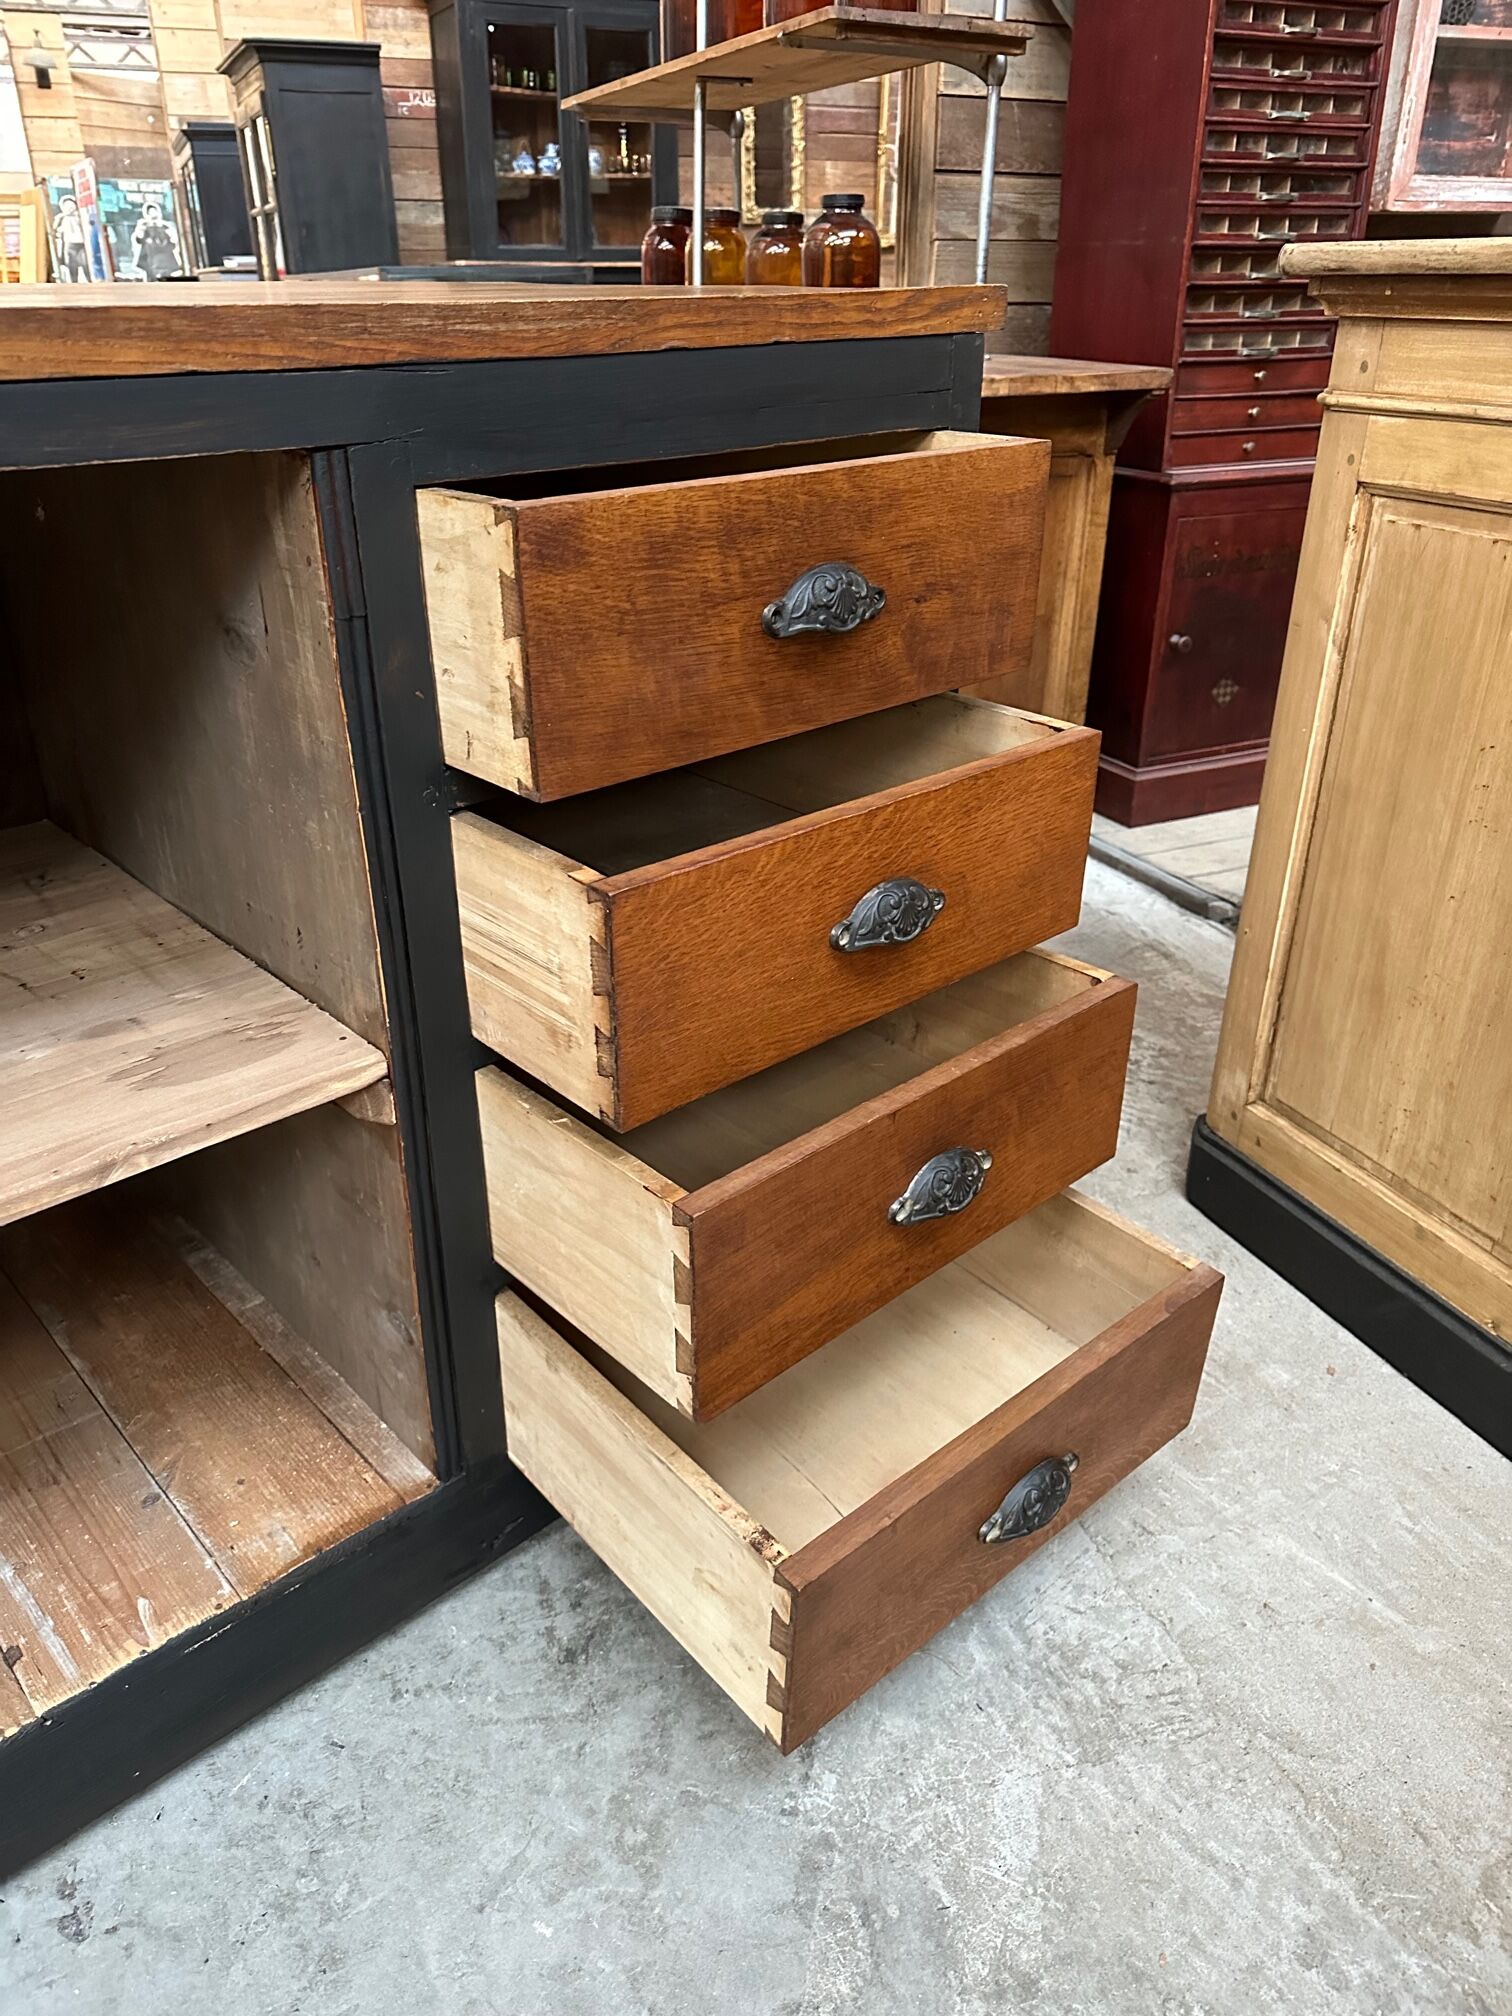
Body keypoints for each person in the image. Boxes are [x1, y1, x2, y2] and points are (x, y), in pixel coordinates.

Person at [130, 199, 182, 281]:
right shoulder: (144, 227)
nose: (153, 215)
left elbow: (173, 243)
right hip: (150, 259)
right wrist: (141, 230)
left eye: (154, 212)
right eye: (150, 213)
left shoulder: (165, 227)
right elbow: (139, 240)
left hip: (166, 259)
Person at [52, 194, 88, 283]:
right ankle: (74, 283)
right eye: (67, 206)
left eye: (72, 205)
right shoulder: (61, 218)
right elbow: (54, 229)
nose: (70, 208)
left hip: (81, 243)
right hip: (69, 244)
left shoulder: (80, 216)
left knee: (85, 265)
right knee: (72, 266)